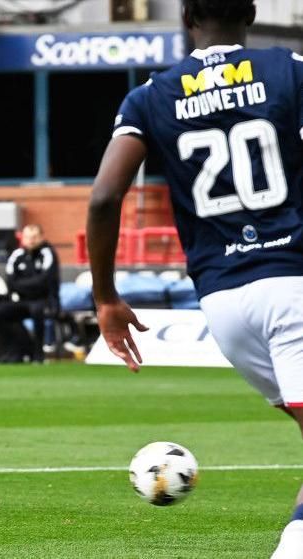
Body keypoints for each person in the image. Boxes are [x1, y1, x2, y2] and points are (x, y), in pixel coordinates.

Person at [87, 2, 303, 555]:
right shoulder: (290, 69)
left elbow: (106, 194)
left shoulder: (150, 97)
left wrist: (106, 295)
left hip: (223, 303)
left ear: (186, 16)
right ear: (251, 11)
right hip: (294, 280)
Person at [0, 224, 60, 363]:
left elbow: (46, 280)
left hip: (44, 299)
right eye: (28, 237)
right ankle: (21, 347)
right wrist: (29, 285)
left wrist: (22, 284)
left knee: (37, 310)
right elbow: (10, 281)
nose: (31, 240)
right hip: (22, 300)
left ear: (42, 237)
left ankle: (38, 353)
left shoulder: (48, 253)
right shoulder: (17, 254)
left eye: (35, 237)